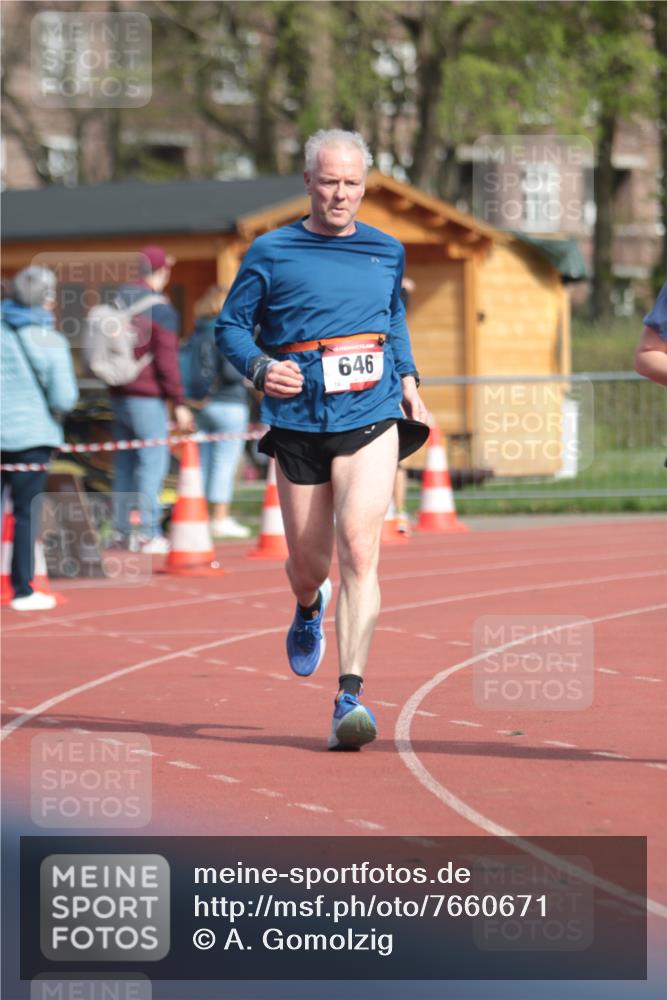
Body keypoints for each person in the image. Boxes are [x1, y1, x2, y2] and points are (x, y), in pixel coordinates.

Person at [216, 128, 430, 750]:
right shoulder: (271, 252)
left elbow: (392, 315)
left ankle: (350, 697)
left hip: (372, 413)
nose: (341, 195)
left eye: (353, 184)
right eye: (330, 182)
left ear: (366, 187)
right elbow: (229, 327)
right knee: (310, 565)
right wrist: (261, 368)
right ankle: (308, 604)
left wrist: (409, 378)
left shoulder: (387, 250)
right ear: (308, 182)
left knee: (361, 546)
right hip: (299, 423)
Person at [1, 265, 78, 611]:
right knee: (24, 514)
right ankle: (22, 589)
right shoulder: (51, 340)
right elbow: (64, 398)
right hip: (31, 436)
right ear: (46, 299)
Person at [110, 245, 193, 554]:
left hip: (117, 391)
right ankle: (147, 532)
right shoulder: (160, 309)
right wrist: (179, 402)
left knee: (123, 464)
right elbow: (167, 360)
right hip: (146, 394)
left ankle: (120, 532)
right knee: (151, 463)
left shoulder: (118, 300)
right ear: (162, 271)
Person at [186, 286, 252, 539]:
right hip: (230, 403)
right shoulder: (226, 330)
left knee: (201, 463)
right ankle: (220, 517)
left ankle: (197, 515)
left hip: (201, 404)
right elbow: (231, 371)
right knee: (225, 463)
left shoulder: (197, 331)